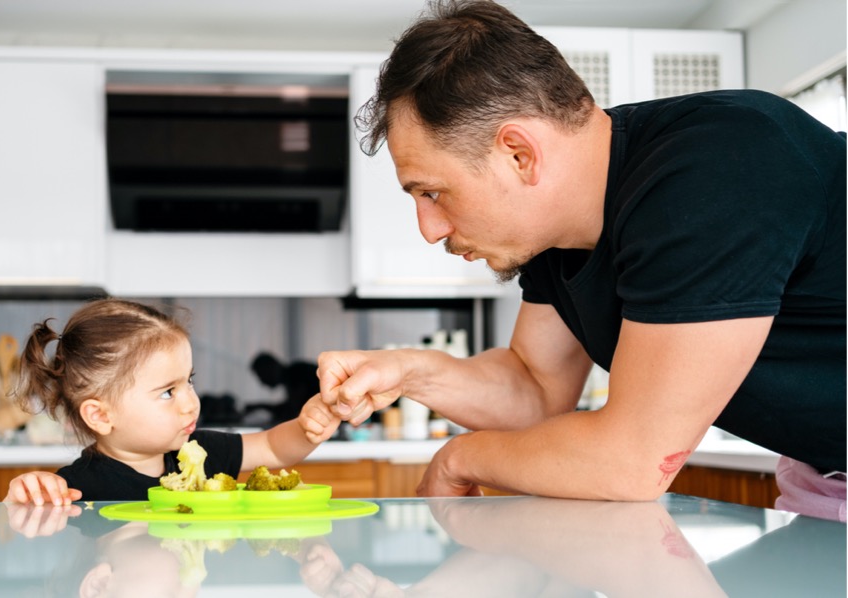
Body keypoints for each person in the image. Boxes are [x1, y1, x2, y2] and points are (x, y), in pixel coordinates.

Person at [307, 0, 846, 520]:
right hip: (823, 475)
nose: (430, 230)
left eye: (432, 193)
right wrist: (405, 371)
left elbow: (630, 460)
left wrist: (460, 457)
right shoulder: (557, 234)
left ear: (519, 154)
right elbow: (535, 389)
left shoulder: (717, 168)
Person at [3, 298, 341, 506]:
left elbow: (271, 447)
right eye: (168, 392)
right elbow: (28, 523)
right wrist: (28, 496)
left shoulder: (197, 451)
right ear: (101, 416)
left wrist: (307, 427)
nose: (191, 403)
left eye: (189, 382)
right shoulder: (77, 487)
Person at [244, 352, 321, 424]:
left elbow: (291, 410)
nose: (263, 382)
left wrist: (261, 407)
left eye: (262, 375)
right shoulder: (295, 373)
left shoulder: (296, 373)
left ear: (271, 367)